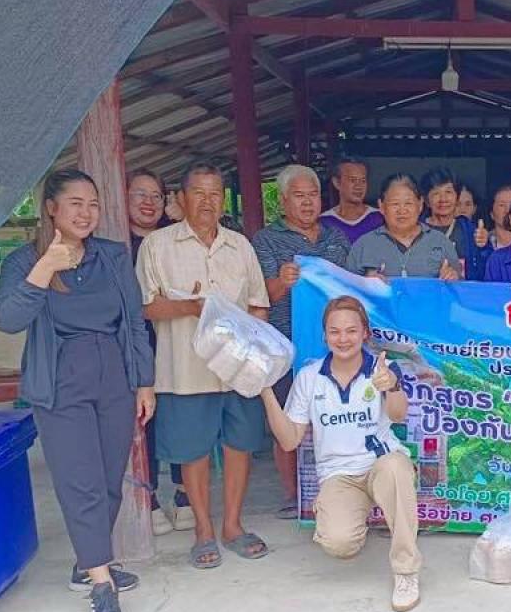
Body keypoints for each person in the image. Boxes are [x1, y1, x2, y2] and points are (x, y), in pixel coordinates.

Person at [0, 169, 155, 612]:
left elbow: (134, 321)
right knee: (79, 481)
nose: (86, 213)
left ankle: (88, 560)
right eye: (75, 204)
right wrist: (46, 266)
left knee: (107, 480)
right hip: (61, 381)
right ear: (51, 208)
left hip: (114, 377)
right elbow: (9, 319)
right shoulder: (24, 261)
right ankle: (101, 584)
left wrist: (144, 382)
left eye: (93, 204)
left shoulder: (112, 255)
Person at [136, 162, 272, 570]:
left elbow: (259, 304)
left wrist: (250, 344)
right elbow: (145, 307)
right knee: (192, 451)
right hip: (185, 370)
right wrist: (190, 307)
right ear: (180, 198)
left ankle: (232, 525)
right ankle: (202, 530)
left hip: (237, 371)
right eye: (198, 193)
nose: (208, 202)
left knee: (239, 446)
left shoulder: (240, 246)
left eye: (215, 194)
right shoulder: (157, 245)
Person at [260, 297, 422, 611]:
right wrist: (265, 391)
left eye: (351, 331)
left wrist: (392, 386)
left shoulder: (381, 369)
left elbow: (398, 415)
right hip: (339, 476)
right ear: (325, 336)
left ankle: (406, 571)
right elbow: (290, 440)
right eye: (335, 331)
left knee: (395, 467)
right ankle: (353, 513)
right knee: (340, 544)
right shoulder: (309, 377)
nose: (343, 339)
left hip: (380, 464)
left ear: (365, 334)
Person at [252, 164, 351, 521]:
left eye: (313, 195)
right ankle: (294, 496)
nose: (308, 202)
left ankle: (336, 489)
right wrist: (281, 281)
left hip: (338, 346)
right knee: (289, 419)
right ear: (283, 201)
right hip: (286, 345)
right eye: (299, 196)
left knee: (336, 418)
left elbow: (354, 285)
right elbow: (258, 296)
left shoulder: (337, 238)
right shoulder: (265, 240)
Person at [126, 169, 192, 536]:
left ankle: (184, 494)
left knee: (180, 415)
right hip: (135, 345)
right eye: (140, 194)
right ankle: (148, 498)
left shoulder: (175, 240)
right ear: (124, 198)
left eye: (156, 195)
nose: (149, 202)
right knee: (144, 420)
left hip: (176, 339)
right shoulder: (115, 245)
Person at [344, 173, 461, 280]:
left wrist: (453, 278)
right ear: (382, 206)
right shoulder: (364, 245)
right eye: (395, 204)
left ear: (420, 205)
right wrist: (365, 283)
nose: (402, 210)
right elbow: (347, 289)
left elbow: (461, 286)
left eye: (408, 203)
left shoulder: (440, 242)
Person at [421, 167, 484, 279]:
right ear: (426, 201)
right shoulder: (416, 229)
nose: (443, 199)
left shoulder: (469, 231)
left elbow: (482, 269)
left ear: (457, 197)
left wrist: (484, 246)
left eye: (448, 192)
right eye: (436, 193)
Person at [321, 156, 384, 244]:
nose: (358, 186)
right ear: (337, 183)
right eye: (353, 180)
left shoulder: (379, 218)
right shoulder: (324, 222)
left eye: (363, 180)